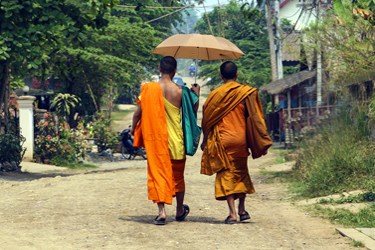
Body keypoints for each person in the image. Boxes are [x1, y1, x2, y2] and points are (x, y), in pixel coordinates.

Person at [131, 56, 200, 225]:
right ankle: (179, 210)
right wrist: (196, 95)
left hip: (156, 142)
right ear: (175, 70)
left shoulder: (148, 89)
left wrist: (134, 129)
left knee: (158, 175)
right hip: (176, 141)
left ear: (159, 68)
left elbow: (138, 113)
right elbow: (191, 112)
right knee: (178, 177)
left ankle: (162, 212)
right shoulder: (181, 91)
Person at [200, 61, 272, 224]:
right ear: (237, 74)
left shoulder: (215, 95)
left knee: (225, 173)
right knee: (240, 172)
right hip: (240, 139)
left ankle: (232, 213)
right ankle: (242, 208)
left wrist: (205, 140)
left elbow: (207, 121)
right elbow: (256, 118)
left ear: (221, 76)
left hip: (223, 140)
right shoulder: (246, 93)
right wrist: (261, 140)